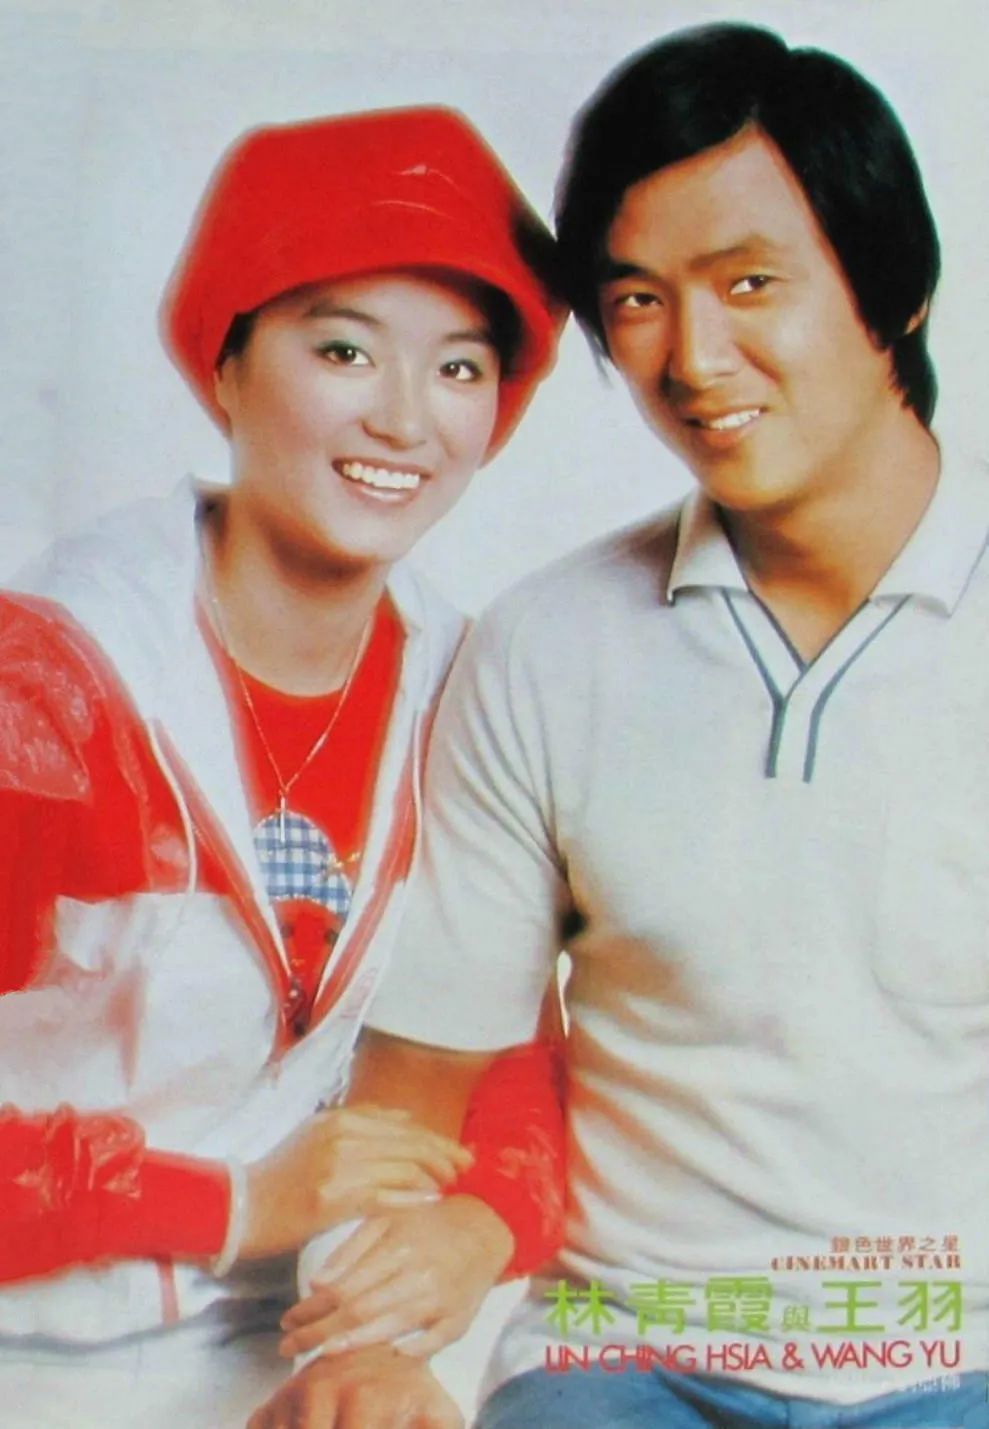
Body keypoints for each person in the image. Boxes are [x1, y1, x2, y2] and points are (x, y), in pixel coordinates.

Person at [258, 22, 989, 1429]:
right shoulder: (547, 646)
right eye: (638, 300)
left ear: (893, 290)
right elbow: (421, 1081)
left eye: (749, 283)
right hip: (619, 1354)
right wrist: (370, 1344)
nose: (694, 357)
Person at [0, 105, 565, 1425]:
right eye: (344, 348)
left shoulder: (470, 683)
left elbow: (509, 1048)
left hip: (292, 1346)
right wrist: (232, 1202)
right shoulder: (55, 691)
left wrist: (475, 1226)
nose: (404, 419)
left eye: (461, 367)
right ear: (229, 360)